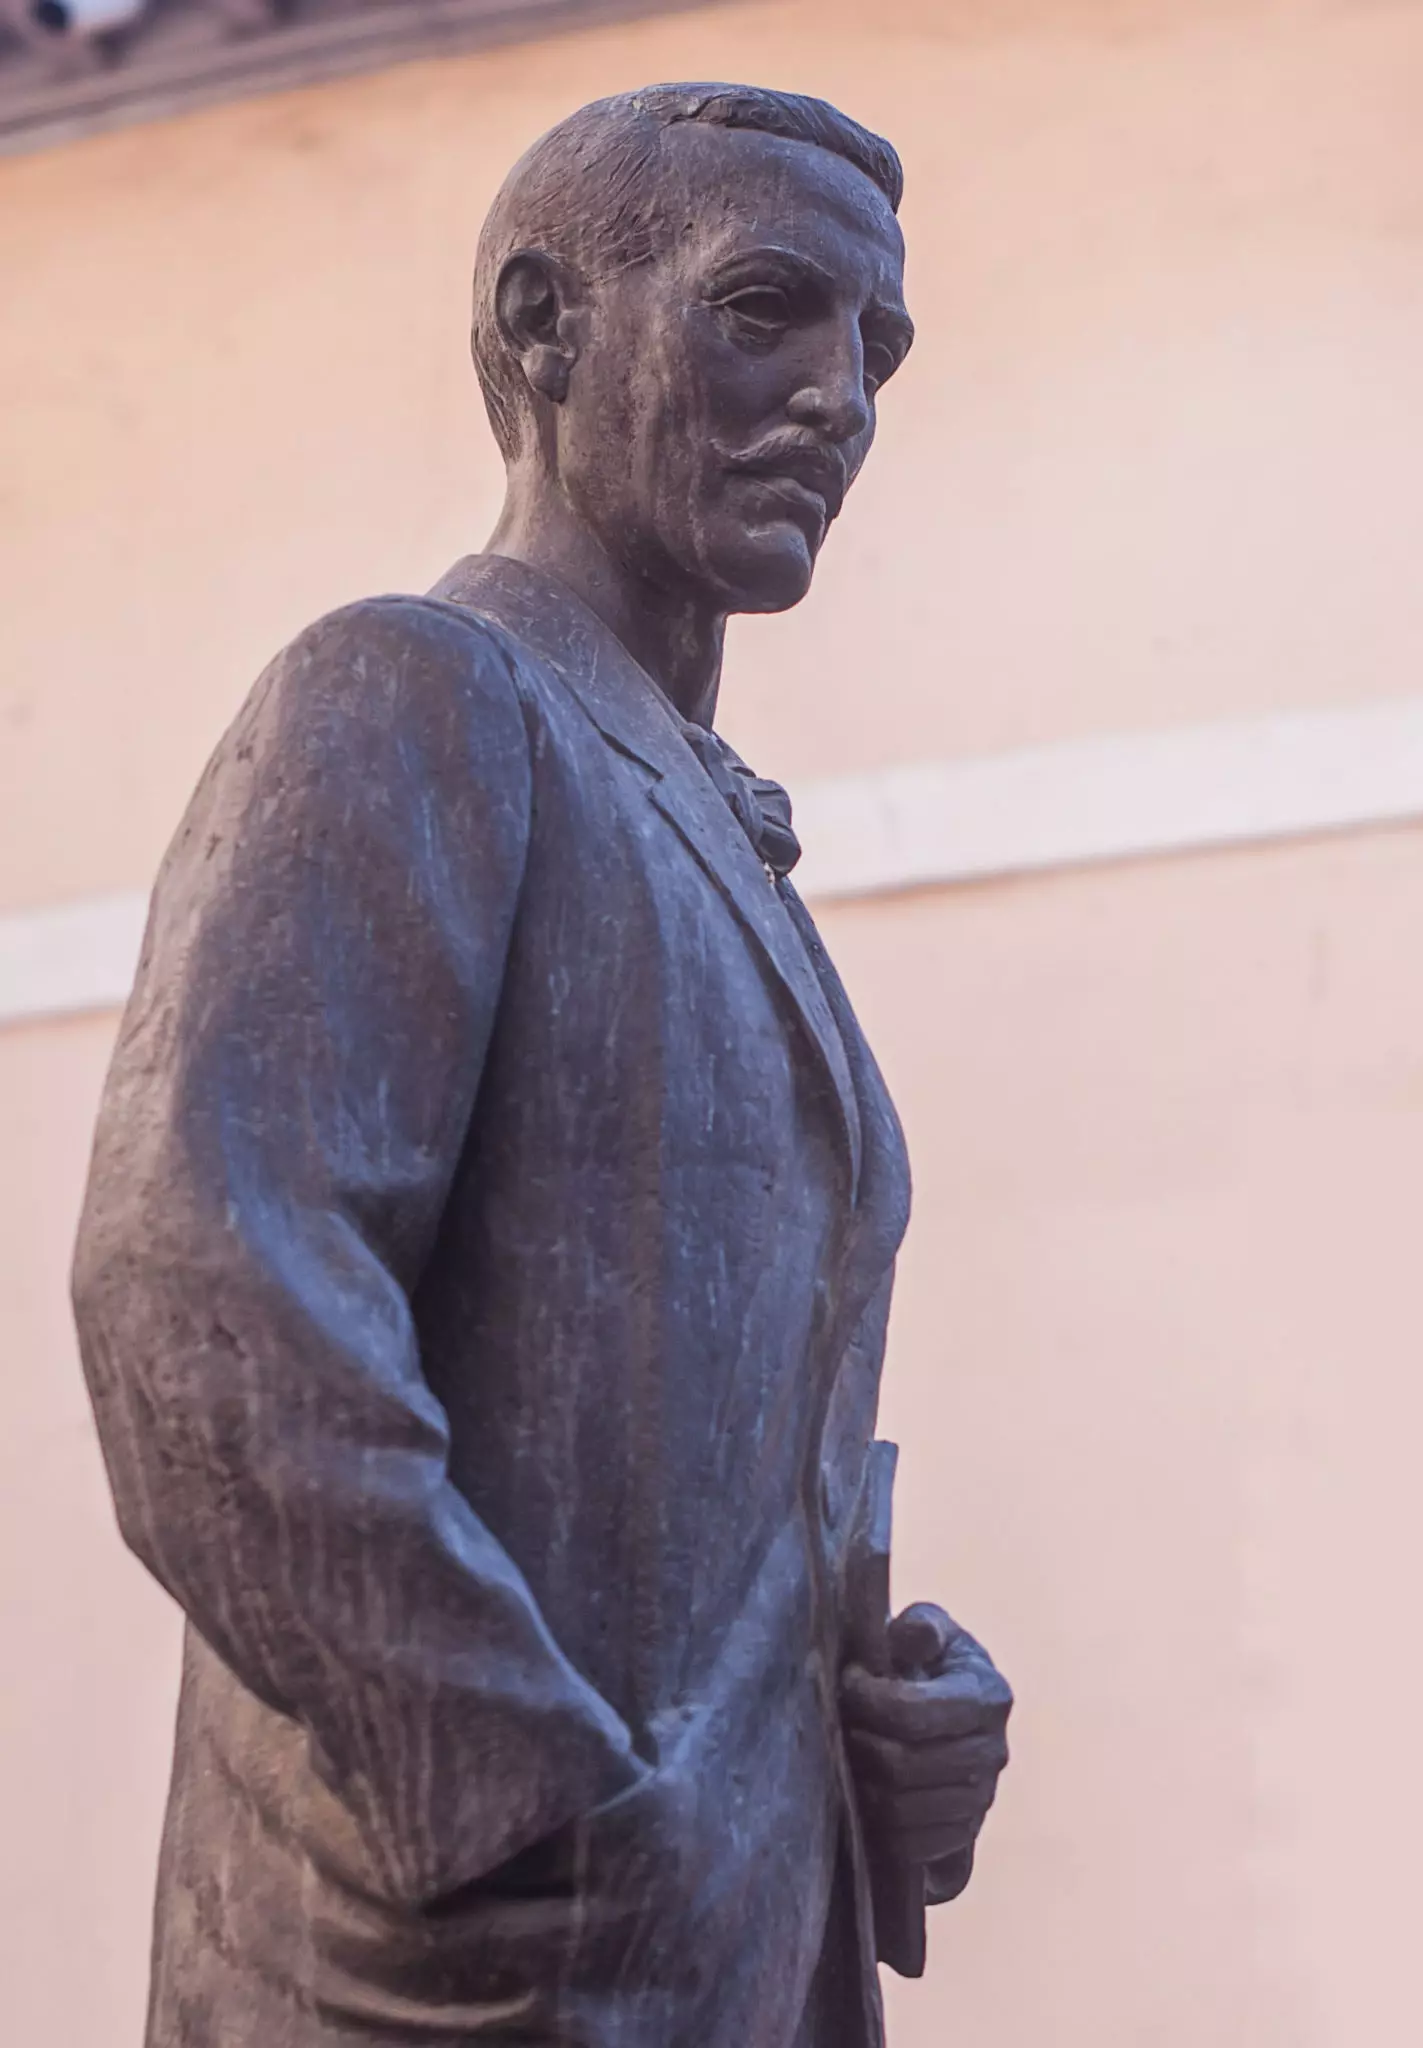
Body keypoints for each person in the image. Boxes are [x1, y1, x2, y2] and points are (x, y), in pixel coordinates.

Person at [72, 83, 1012, 2048]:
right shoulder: (416, 693)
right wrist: (529, 1803)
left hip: (730, 1965)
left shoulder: (703, 822)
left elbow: (708, 1484)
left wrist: (872, 1739)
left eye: (877, 348)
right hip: (456, 1981)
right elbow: (203, 1290)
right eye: (767, 308)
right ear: (538, 325)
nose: (838, 396)